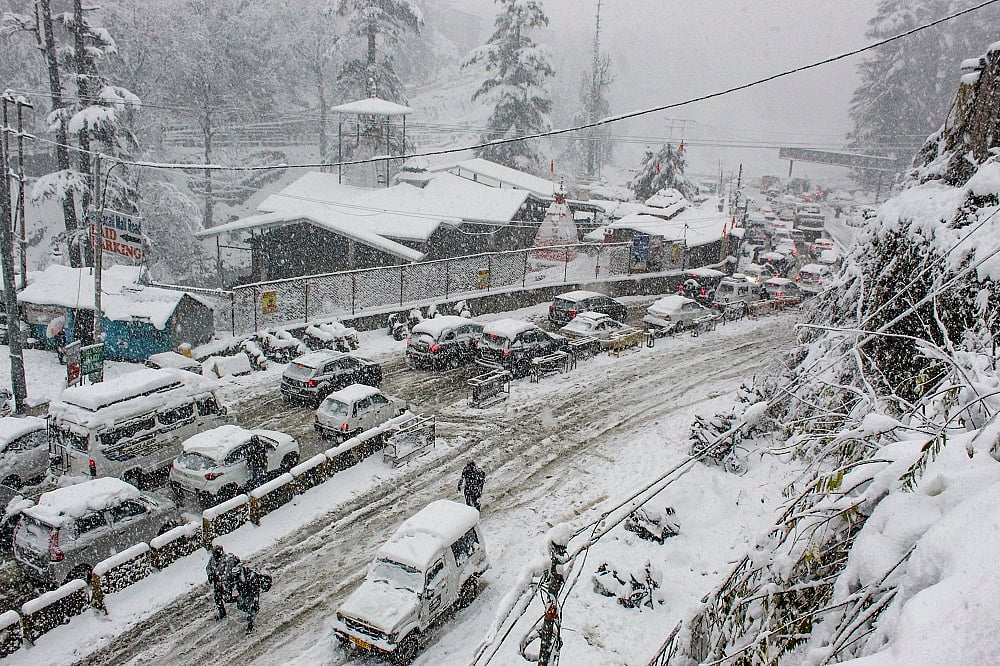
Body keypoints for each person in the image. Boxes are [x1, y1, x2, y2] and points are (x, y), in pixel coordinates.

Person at [206, 544, 240, 620]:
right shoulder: (212, 559)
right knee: (217, 598)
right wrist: (210, 575)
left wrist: (224, 581)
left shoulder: (227, 560)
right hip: (217, 581)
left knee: (228, 598)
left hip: (226, 582)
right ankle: (222, 613)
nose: (215, 556)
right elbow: (208, 567)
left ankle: (240, 599)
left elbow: (228, 573)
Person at [234, 564, 268, 634]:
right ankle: (250, 617)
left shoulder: (251, 577)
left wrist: (255, 600)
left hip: (251, 593)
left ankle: (251, 625)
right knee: (242, 605)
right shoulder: (239, 579)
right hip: (246, 593)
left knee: (252, 608)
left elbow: (255, 590)